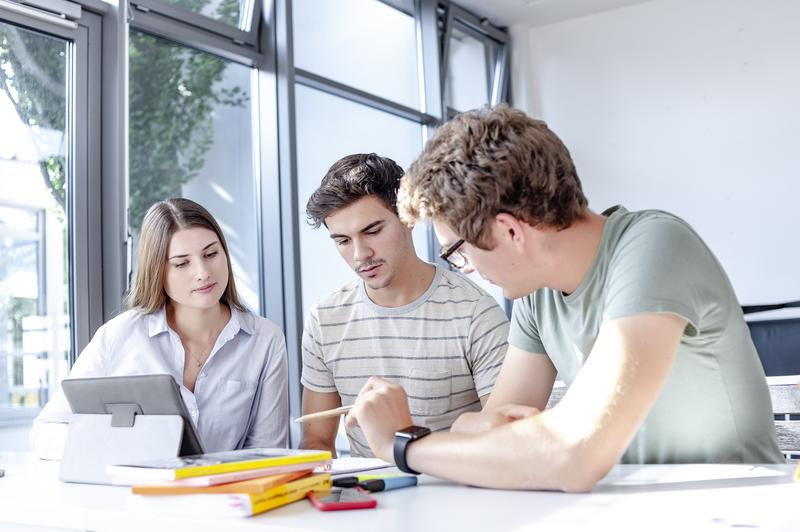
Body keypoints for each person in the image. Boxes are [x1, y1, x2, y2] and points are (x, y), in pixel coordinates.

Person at [344, 106, 784, 491]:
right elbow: (483, 436)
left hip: (738, 505)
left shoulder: (654, 245)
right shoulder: (538, 295)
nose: (465, 268)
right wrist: (477, 430)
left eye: (456, 251)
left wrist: (403, 444)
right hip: (631, 508)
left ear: (509, 231)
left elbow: (572, 456)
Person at [31, 198, 289, 459]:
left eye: (211, 254)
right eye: (181, 263)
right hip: (134, 495)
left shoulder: (265, 339)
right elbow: (46, 432)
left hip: (225, 496)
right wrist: (117, 448)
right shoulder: (119, 336)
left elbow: (269, 453)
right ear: (157, 270)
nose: (202, 272)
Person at [300, 153, 509, 457]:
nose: (360, 254)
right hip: (365, 497)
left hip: (453, 491)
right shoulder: (325, 318)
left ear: (407, 217)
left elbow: (504, 438)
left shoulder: (475, 312)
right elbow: (316, 443)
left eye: (372, 231)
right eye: (343, 241)